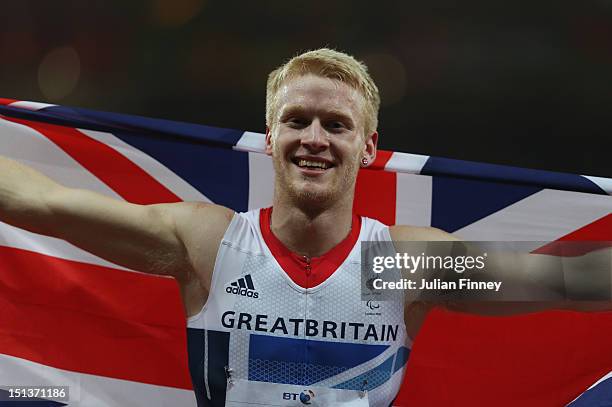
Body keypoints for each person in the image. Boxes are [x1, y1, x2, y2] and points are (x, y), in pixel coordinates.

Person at [0, 48, 608, 407]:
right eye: (297, 121)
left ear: (368, 147)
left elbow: (565, 280)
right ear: (270, 139)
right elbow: (40, 202)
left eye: (336, 125)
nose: (314, 139)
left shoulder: (396, 264)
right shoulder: (211, 245)